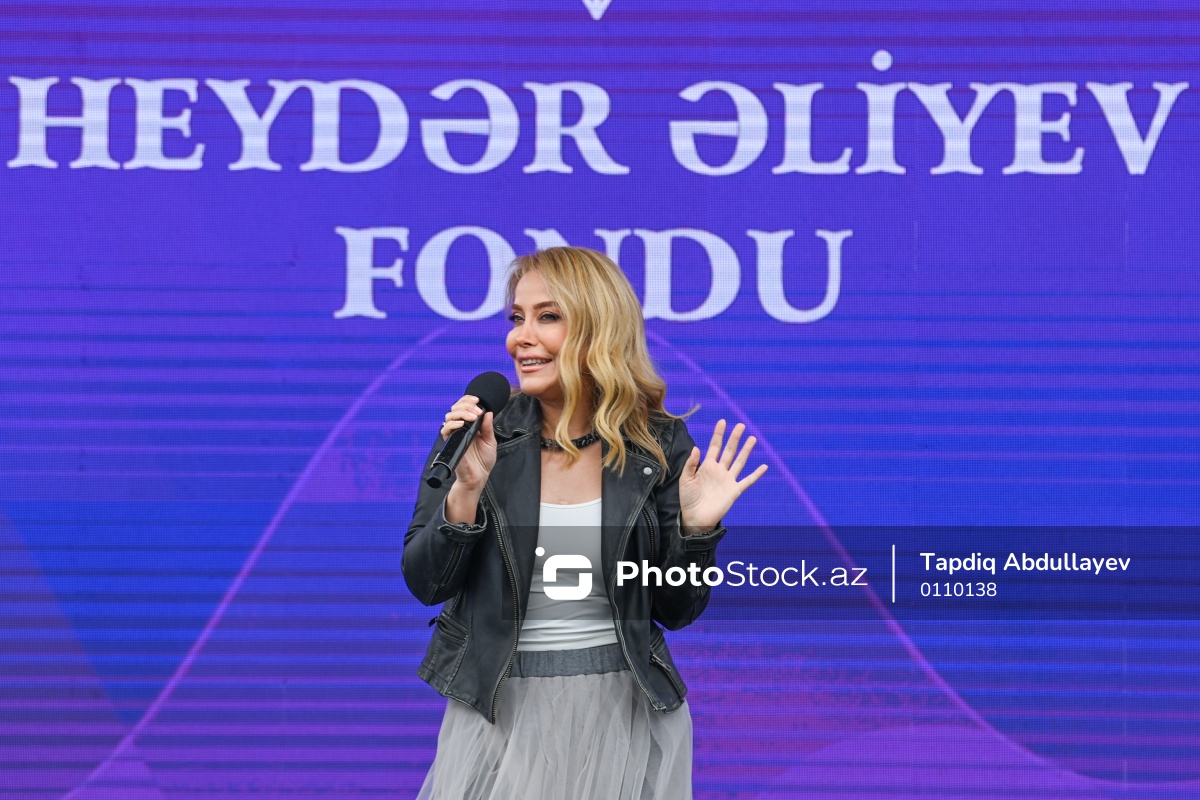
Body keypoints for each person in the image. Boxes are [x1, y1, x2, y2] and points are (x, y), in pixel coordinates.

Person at [404, 247, 767, 799]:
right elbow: (426, 583)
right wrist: (466, 492)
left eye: (547, 317)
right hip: (498, 711)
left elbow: (677, 611)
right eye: (517, 318)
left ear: (599, 328)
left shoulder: (660, 445)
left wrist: (695, 534)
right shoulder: (477, 435)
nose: (520, 338)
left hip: (625, 714)